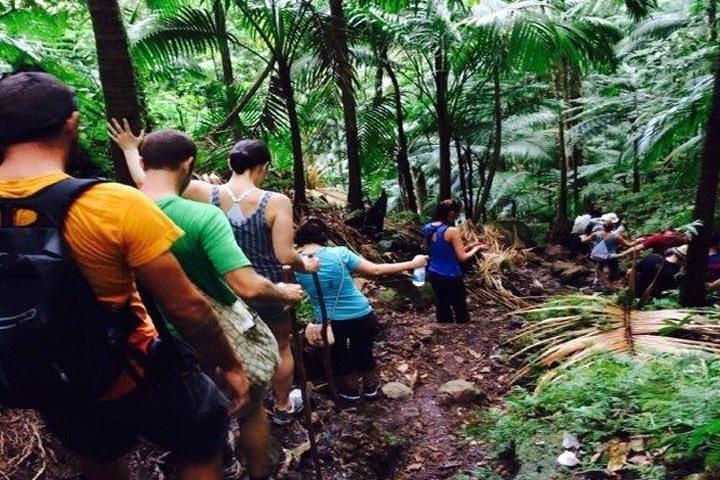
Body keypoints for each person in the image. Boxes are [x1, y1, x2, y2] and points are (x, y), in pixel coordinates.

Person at [0, 72, 247, 480]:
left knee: (97, 455)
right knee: (202, 441)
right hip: (135, 372)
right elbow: (186, 308)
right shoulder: (111, 204)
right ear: (71, 125)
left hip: (50, 378)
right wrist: (229, 364)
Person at [109, 126, 306, 480]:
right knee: (252, 405)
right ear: (187, 163)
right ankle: (263, 459)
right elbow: (249, 283)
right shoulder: (205, 214)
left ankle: (224, 458)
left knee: (200, 407)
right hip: (219, 320)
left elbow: (150, 184)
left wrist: (128, 149)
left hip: (155, 335)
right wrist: (285, 291)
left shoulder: (123, 211)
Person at [293, 217, 427, 400]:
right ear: (323, 235)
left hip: (330, 321)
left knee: (339, 357)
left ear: (299, 236)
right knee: (363, 351)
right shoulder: (340, 253)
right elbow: (376, 270)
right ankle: (371, 389)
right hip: (361, 314)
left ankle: (350, 392)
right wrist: (413, 264)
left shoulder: (293, 263)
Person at [422, 199, 486, 324]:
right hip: (451, 274)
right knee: (459, 303)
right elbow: (462, 257)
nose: (457, 216)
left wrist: (470, 246)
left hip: (433, 272)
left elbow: (441, 249)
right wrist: (477, 248)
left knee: (442, 302)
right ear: (451, 213)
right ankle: (463, 327)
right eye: (457, 213)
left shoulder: (428, 227)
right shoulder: (452, 231)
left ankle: (445, 327)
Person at [582, 214, 631, 287]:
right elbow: (628, 245)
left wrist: (583, 237)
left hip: (600, 255)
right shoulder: (616, 236)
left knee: (599, 267)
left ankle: (596, 282)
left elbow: (584, 241)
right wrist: (638, 240)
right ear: (613, 227)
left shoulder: (596, 234)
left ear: (603, 226)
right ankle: (611, 284)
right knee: (614, 269)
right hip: (611, 256)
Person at [619, 227, 688, 259]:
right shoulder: (679, 239)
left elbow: (637, 248)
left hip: (657, 260)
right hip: (673, 261)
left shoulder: (657, 238)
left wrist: (622, 254)